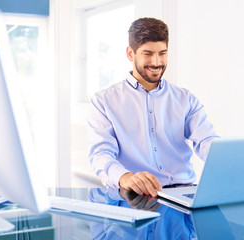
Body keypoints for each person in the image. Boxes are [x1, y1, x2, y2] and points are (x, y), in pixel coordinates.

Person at [88, 17, 218, 198]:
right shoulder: (104, 101)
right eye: (147, 53)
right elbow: (101, 154)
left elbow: (206, 141)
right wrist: (124, 177)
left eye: (162, 53)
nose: (156, 62)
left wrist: (229, 161)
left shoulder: (185, 99)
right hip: (134, 197)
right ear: (130, 54)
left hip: (184, 195)